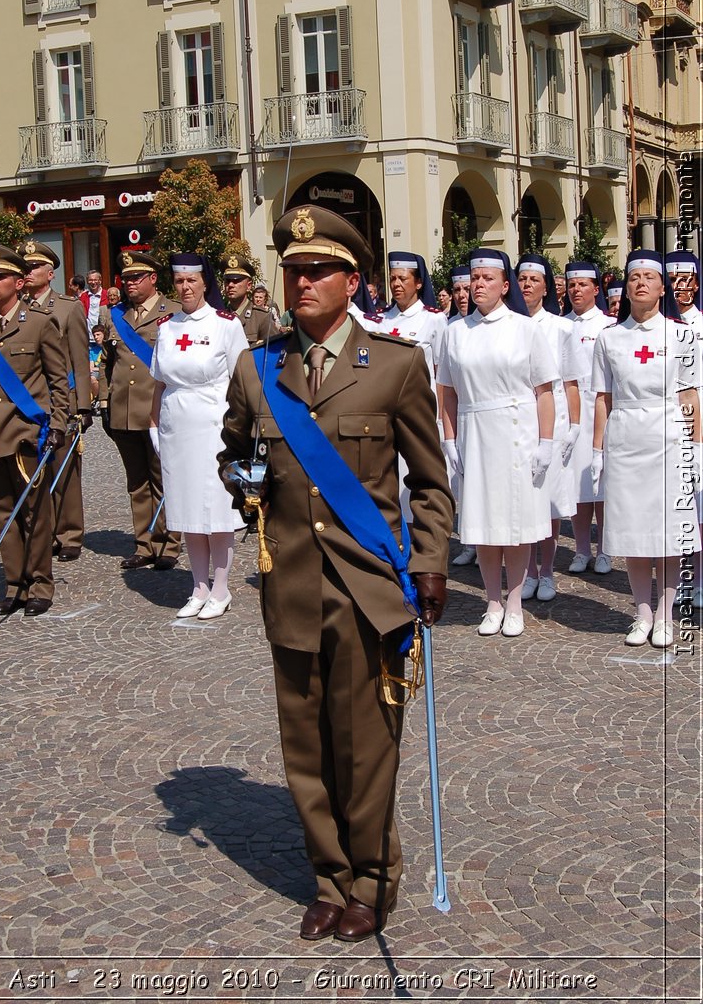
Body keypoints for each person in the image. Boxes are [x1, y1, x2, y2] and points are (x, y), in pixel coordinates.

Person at [218, 205, 453, 942]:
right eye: (293, 269)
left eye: (318, 269)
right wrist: (241, 475)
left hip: (366, 587)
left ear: (353, 280)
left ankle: (372, 881)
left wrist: (432, 561)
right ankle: (328, 877)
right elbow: (232, 453)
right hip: (289, 583)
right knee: (307, 745)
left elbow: (431, 482)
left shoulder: (395, 364)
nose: (303, 280)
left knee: (366, 741)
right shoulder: (259, 369)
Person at [439, 249, 556, 638]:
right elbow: (448, 392)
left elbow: (544, 391)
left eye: (487, 279)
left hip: (517, 430)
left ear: (505, 286)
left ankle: (516, 601)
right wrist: (450, 438)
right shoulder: (455, 332)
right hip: (476, 431)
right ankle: (492, 601)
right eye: (475, 279)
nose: (478, 286)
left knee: (516, 522)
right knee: (484, 522)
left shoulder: (526, 329)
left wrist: (546, 442)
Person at [591, 251, 700, 647]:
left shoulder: (679, 334)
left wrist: (696, 447)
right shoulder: (609, 338)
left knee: (668, 532)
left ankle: (667, 615)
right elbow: (603, 397)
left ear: (661, 287)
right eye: (633, 276)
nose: (640, 283)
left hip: (668, 435)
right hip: (626, 436)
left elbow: (689, 394)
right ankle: (641, 613)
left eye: (648, 277)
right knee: (634, 530)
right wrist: (597, 450)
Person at [0, 246, 69, 616]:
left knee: (35, 514)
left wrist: (58, 424)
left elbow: (59, 382)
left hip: (28, 434)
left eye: (0, 277)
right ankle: (15, 584)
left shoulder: (40, 322)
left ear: (19, 282)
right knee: (2, 512)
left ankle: (40, 583)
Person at [150, 254, 248, 619]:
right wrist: (154, 426)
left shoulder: (225, 324)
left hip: (214, 424)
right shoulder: (166, 327)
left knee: (216, 509)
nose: (185, 288)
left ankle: (221, 589)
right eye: (178, 282)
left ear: (205, 283)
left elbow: (243, 381)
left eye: (191, 281)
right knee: (187, 507)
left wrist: (242, 428)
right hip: (178, 425)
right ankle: (198, 586)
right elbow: (159, 383)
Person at [98, 249, 181, 570]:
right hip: (123, 410)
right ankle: (144, 542)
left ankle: (169, 542)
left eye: (136, 277)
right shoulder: (115, 315)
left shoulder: (172, 312)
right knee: (136, 482)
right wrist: (105, 401)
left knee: (163, 478)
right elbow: (107, 361)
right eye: (126, 278)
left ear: (153, 279)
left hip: (157, 411)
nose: (130, 283)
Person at [18, 239, 93, 562]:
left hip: (61, 400)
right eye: (26, 268)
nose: (29, 272)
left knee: (64, 472)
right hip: (30, 403)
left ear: (50, 274)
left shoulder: (67, 307)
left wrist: (83, 406)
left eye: (35, 267)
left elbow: (79, 358)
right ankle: (43, 533)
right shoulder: (18, 309)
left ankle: (70, 533)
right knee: (34, 475)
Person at [516, 255, 581, 603]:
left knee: (551, 501)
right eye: (522, 278)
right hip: (520, 418)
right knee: (527, 500)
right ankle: (526, 571)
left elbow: (570, 382)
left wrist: (574, 426)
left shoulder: (562, 328)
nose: (526, 285)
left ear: (546, 287)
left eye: (533, 279)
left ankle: (547, 571)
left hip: (552, 420)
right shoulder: (509, 325)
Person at [564, 262, 615, 574]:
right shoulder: (562, 325)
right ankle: (582, 548)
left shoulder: (608, 326)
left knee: (604, 485)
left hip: (602, 407)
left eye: (582, 285)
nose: (576, 291)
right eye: (572, 285)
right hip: (572, 411)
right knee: (577, 484)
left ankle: (605, 548)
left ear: (596, 289)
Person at [666, 250, 703, 610]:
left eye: (685, 280)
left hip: (700, 417)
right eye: (673, 281)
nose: (680, 288)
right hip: (674, 418)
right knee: (681, 506)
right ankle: (683, 576)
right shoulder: (667, 329)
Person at [444, 266, 476, 568]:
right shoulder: (450, 326)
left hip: (483, 413)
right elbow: (446, 384)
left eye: (467, 290)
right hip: (459, 414)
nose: (462, 296)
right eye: (458, 291)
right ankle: (469, 541)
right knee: (463, 484)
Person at [379, 251, 446, 393]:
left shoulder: (434, 319)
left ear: (419, 283)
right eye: (392, 279)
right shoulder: (381, 319)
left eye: (402, 279)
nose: (396, 284)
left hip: (421, 400)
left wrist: (440, 413)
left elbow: (442, 371)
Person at [220, 254, 275, 346]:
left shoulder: (262, 317)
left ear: (249, 286)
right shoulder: (219, 318)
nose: (230, 285)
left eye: (236, 281)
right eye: (227, 281)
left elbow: (273, 353)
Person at [81, 270, 105, 337]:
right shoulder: (83, 296)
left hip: (104, 335)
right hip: (88, 335)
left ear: (100, 281)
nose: (93, 282)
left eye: (95, 280)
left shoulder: (107, 295)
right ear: (87, 282)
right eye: (90, 280)